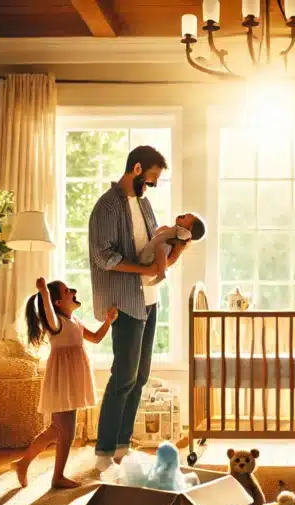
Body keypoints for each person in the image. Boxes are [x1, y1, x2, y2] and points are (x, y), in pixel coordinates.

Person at [88, 145, 189, 471]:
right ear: (135, 169)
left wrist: (176, 249)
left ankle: (121, 446)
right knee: (123, 377)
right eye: (152, 177)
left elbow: (153, 248)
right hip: (126, 301)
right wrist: (144, 271)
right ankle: (104, 452)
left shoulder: (144, 205)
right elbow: (104, 257)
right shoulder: (106, 208)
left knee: (141, 376)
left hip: (149, 300)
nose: (154, 184)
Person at [12, 277, 117, 489]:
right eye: (68, 290)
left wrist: (108, 321)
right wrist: (43, 291)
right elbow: (49, 313)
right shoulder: (56, 323)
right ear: (58, 302)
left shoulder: (75, 322)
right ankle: (55, 476)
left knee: (57, 430)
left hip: (72, 378)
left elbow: (96, 338)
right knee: (65, 431)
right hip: (63, 379)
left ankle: (24, 464)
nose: (73, 291)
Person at [138, 213, 206, 286]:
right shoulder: (168, 229)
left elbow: (173, 258)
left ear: (189, 229)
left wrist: (161, 266)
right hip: (150, 253)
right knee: (160, 247)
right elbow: (154, 236)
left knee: (162, 247)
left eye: (191, 217)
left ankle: (161, 274)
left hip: (156, 260)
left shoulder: (180, 243)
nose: (187, 214)